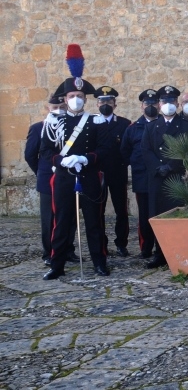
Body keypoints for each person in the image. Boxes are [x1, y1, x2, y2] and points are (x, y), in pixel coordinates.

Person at [42, 44, 113, 279]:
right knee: (61, 223)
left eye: (80, 97)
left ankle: (100, 262)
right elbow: (46, 151)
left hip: (89, 177)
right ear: (64, 98)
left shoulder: (96, 121)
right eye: (72, 96)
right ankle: (57, 265)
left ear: (85, 99)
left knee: (94, 223)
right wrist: (62, 161)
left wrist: (85, 158)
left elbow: (104, 150)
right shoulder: (53, 121)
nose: (76, 100)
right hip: (64, 179)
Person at [141, 85, 188, 269]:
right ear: (159, 104)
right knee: (159, 217)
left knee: (179, 216)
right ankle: (160, 253)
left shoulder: (187, 126)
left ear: (177, 103)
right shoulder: (151, 127)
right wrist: (158, 167)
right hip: (158, 178)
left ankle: (180, 252)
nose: (168, 104)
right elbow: (146, 150)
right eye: (164, 101)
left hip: (178, 176)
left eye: (172, 101)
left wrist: (171, 166)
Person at [25, 92, 67, 266]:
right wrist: (41, 172)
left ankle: (67, 250)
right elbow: (30, 155)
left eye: (61, 108)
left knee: (67, 217)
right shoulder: (38, 128)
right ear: (48, 108)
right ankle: (49, 252)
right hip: (47, 179)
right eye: (55, 108)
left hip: (67, 178)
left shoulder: (72, 127)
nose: (58, 110)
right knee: (48, 219)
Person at [121, 89, 159, 259]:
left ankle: (162, 246)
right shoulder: (133, 128)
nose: (150, 106)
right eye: (147, 104)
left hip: (161, 177)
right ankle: (146, 247)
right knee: (144, 215)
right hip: (142, 178)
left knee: (161, 213)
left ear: (159, 105)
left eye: (154, 103)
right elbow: (125, 152)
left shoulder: (164, 124)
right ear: (141, 106)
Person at [94, 86, 132, 257]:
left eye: (109, 101)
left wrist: (124, 164)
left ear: (115, 104)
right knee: (98, 211)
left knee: (121, 211)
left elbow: (128, 148)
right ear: (97, 104)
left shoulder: (124, 124)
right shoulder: (91, 123)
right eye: (102, 101)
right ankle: (102, 244)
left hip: (118, 172)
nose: (105, 104)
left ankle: (121, 244)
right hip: (98, 174)